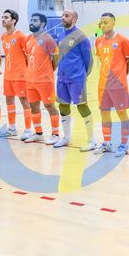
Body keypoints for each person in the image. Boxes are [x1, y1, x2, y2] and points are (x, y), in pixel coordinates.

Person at [86, 13, 129, 157]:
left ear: (113, 23)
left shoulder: (123, 40)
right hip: (103, 84)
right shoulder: (98, 41)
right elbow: (102, 60)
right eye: (101, 22)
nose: (103, 25)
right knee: (104, 113)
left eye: (106, 22)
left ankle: (124, 145)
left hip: (118, 84)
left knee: (122, 113)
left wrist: (122, 75)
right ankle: (107, 143)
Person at [54, 9, 96, 150]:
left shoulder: (81, 36)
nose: (63, 17)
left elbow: (88, 60)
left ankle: (91, 140)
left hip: (76, 79)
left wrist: (83, 76)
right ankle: (66, 137)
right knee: (63, 106)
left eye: (66, 16)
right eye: (63, 15)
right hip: (62, 79)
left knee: (82, 106)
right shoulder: (61, 35)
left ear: (74, 19)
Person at [24, 13, 60, 144]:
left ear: (42, 23)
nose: (32, 22)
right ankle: (38, 133)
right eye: (31, 20)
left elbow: (56, 57)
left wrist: (50, 70)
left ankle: (55, 134)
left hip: (45, 80)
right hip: (30, 80)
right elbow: (28, 58)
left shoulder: (48, 39)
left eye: (35, 20)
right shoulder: (28, 39)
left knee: (49, 106)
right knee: (33, 107)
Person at [0, 9, 33, 140]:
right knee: (9, 100)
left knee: (24, 101)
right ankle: (12, 128)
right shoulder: (3, 36)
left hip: (20, 75)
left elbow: (28, 55)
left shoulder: (21, 36)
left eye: (6, 17)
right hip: (8, 75)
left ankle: (28, 130)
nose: (3, 19)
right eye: (2, 17)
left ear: (13, 21)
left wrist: (28, 72)